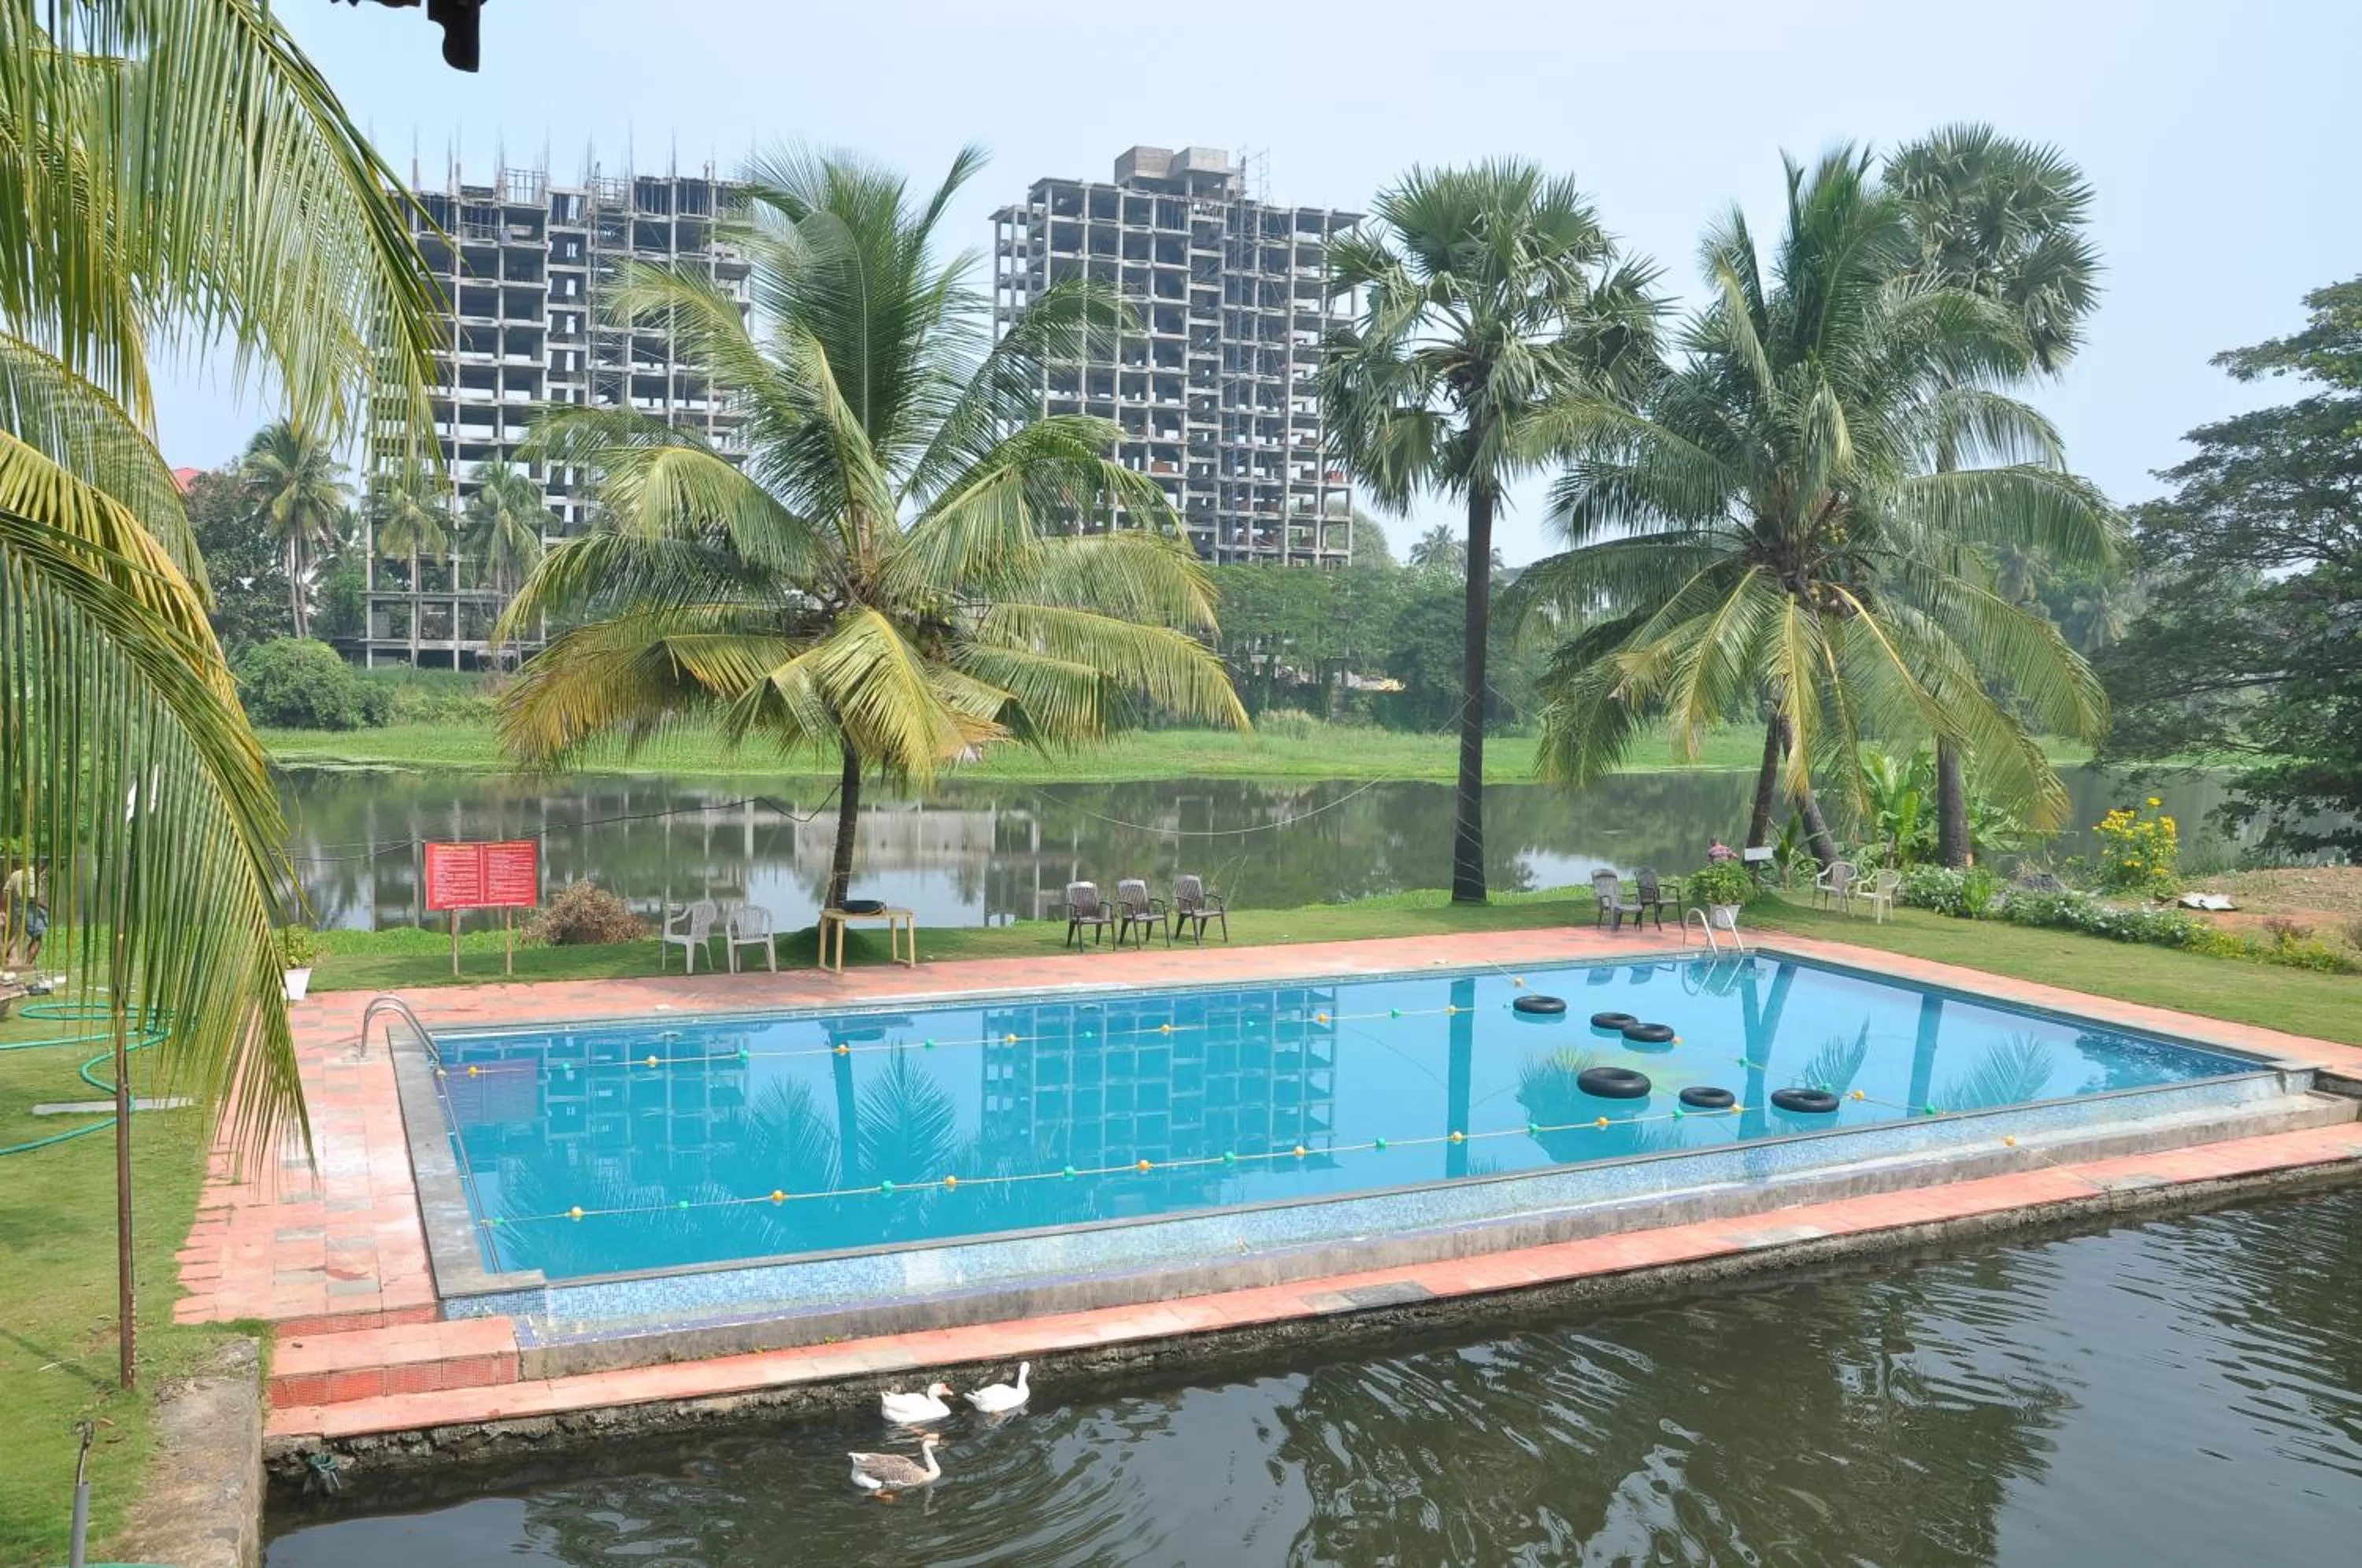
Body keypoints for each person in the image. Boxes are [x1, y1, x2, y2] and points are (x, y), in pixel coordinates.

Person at [3, 856, 48, 967]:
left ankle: (7, 961)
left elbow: (6, 891)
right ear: (43, 866)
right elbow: (33, 898)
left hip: (16, 906)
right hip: (28, 907)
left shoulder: (17, 874)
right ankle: (27, 965)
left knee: (16, 936)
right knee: (37, 937)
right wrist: (48, 908)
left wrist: (3, 909)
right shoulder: (33, 876)